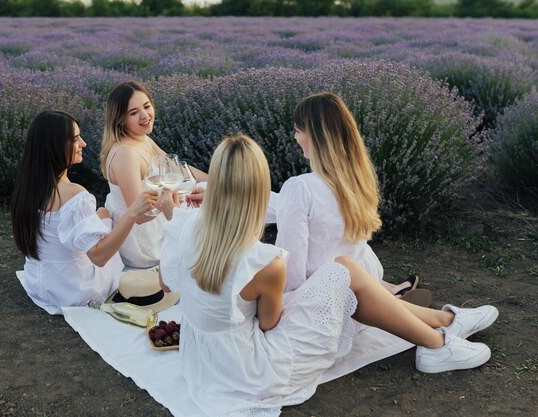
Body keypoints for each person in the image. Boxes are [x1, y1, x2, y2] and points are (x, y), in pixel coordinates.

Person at [158, 135, 498, 416]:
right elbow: (269, 324)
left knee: (343, 279)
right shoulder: (264, 262)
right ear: (260, 188)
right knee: (344, 274)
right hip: (250, 370)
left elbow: (168, 280)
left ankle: (443, 323)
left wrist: (168, 208)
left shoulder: (187, 227)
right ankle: (437, 340)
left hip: (205, 360)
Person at [267, 92, 430, 305]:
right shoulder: (356, 181)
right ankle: (397, 300)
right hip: (354, 286)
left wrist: (284, 306)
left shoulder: (301, 187)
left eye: (298, 131)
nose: (295, 137)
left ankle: (404, 304)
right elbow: (286, 206)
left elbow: (292, 266)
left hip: (319, 297)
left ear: (316, 136)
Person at [11, 110, 157, 313]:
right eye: (75, 138)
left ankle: (102, 219)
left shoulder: (29, 186)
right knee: (106, 216)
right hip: (75, 290)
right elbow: (99, 258)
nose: (83, 143)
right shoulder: (74, 195)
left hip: (41, 282)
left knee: (102, 214)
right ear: (54, 146)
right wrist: (132, 213)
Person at [100, 81, 207, 269]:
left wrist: (213, 180)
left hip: (154, 217)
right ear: (120, 119)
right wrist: (172, 204)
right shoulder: (126, 154)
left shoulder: (141, 139)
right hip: (142, 240)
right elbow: (139, 215)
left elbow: (176, 169)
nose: (145, 116)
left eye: (147, 106)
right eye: (133, 113)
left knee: (207, 193)